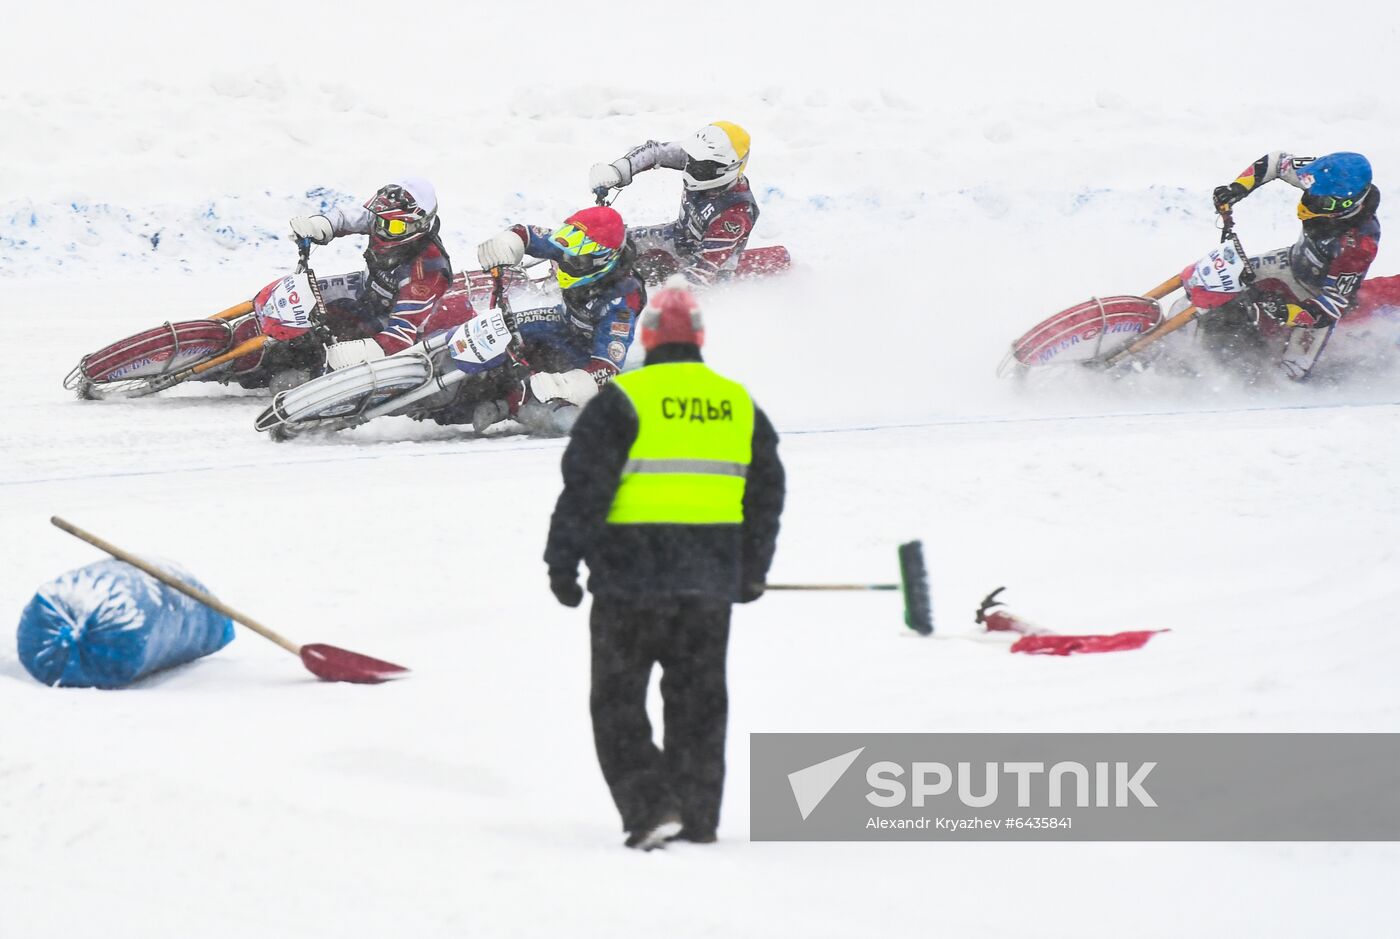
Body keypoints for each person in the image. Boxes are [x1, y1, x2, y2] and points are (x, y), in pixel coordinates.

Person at [543, 277, 785, 850]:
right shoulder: (736, 403)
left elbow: (584, 489)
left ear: (646, 340)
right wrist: (752, 567)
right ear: (699, 340)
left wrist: (563, 562)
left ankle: (651, 807)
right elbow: (767, 493)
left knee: (617, 704)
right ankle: (698, 817)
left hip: (629, 584)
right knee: (700, 707)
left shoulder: (623, 400)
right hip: (706, 587)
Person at [472, 206, 647, 435]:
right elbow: (530, 234)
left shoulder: (623, 300)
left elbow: (607, 367)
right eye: (565, 254)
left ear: (601, 261)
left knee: (564, 419)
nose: (565, 260)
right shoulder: (574, 245)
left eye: (576, 259)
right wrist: (510, 241)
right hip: (562, 322)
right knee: (501, 327)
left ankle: (511, 402)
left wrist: (566, 385)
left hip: (585, 354)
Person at [1207, 151, 1381, 379]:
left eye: (1321, 200)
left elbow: (1334, 304)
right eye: (1311, 192)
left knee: (1285, 379)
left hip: (1317, 295)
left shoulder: (1358, 245)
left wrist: (1288, 313)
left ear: (1348, 204)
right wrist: (1238, 188)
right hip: (1290, 261)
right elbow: (1275, 162)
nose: (1311, 200)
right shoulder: (1318, 176)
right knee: (1219, 279)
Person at [286, 177, 453, 371]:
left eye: (394, 226)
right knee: (301, 299)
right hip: (363, 289)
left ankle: (313, 371)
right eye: (381, 220)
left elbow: (402, 334)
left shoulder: (428, 270)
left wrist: (359, 352)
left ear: (420, 225)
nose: (381, 229)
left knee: (337, 350)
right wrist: (319, 225)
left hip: (392, 320)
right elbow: (347, 218)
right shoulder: (386, 219)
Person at [588, 121, 760, 286]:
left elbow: (704, 271)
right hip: (678, 236)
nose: (692, 166)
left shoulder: (735, 213)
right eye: (692, 160)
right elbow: (656, 151)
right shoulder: (698, 157)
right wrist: (619, 170)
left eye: (702, 166)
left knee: (638, 280)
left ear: (727, 168)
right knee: (617, 242)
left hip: (709, 270)